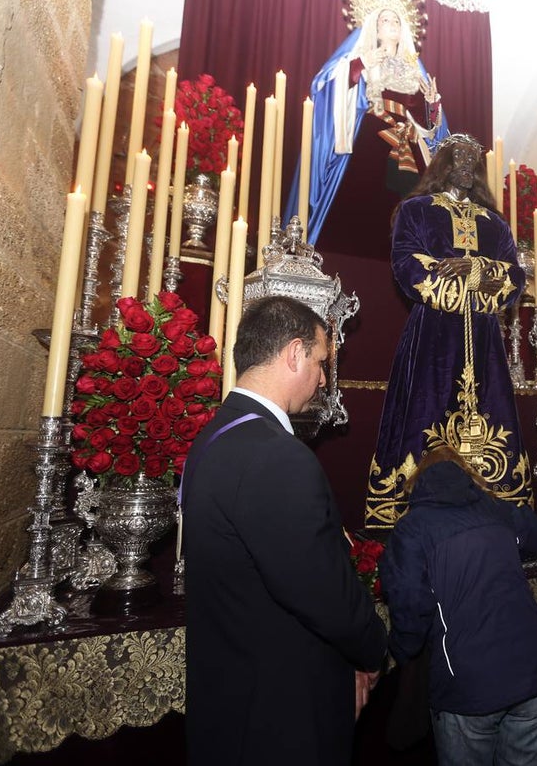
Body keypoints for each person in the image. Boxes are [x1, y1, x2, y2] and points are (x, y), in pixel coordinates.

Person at [183, 296, 387, 765]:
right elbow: (322, 592)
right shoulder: (275, 454)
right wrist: (372, 650)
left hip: (234, 703)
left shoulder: (216, 434)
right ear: (294, 353)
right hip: (279, 718)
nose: (321, 378)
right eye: (320, 362)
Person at [365, 133, 530, 527]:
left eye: (474, 160)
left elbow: (515, 276)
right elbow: (407, 264)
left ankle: (497, 511)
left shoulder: (495, 223)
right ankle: (414, 513)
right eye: (459, 157)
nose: (466, 166)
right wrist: (462, 287)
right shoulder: (417, 210)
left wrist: (477, 271)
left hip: (485, 339)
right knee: (425, 411)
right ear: (442, 163)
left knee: (492, 410)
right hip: (433, 336)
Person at [378, 446, 537, 766]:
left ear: (418, 479)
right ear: (466, 473)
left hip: (469, 683)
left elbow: (410, 607)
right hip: (535, 668)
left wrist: (401, 653)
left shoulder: (412, 529)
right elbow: (534, 536)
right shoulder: (495, 510)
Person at [286, 0, 450, 244]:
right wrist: (361, 64)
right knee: (359, 207)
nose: (392, 25)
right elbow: (324, 85)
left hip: (408, 147)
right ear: (374, 27)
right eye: (386, 20)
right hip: (370, 139)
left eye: (396, 21)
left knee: (414, 213)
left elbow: (428, 128)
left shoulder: (414, 73)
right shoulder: (362, 59)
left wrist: (431, 105)